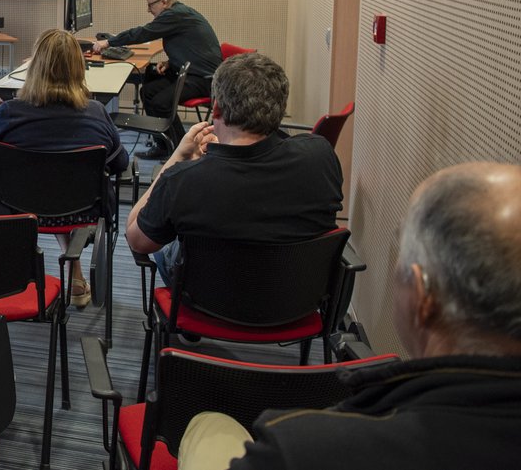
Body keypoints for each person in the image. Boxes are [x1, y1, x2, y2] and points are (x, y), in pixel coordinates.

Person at [176, 161, 521, 470]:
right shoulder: (319, 157)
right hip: (301, 315)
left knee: (209, 426)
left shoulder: (301, 450)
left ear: (423, 297)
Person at [125, 52, 341, 284]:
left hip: (207, 301)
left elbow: (136, 239)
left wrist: (177, 157)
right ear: (280, 106)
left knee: (169, 249)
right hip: (299, 296)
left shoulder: (183, 180)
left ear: (216, 109)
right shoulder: (321, 156)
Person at [0, 29, 128, 307]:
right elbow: (120, 164)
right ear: (79, 69)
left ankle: (23, 271)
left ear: (35, 67)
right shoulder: (96, 112)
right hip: (84, 209)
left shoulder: (9, 112)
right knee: (57, 187)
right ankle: (74, 272)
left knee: (41, 186)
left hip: (17, 209)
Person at [93, 0, 221, 158]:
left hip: (204, 79)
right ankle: (163, 146)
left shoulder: (175, 14)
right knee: (147, 92)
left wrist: (109, 42)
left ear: (164, 2)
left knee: (161, 103)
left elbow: (143, 33)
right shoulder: (180, 13)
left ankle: (181, 150)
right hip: (193, 72)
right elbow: (192, 47)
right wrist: (171, 62)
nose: (148, 10)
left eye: (150, 5)